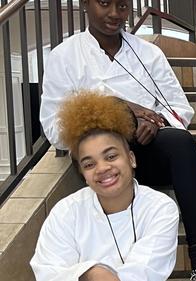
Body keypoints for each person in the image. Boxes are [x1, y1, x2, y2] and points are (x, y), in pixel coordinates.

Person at [38, 0, 196, 279]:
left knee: (183, 144)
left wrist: (155, 124)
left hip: (147, 151)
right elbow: (54, 129)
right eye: (104, 4)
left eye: (122, 6)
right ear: (86, 4)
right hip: (101, 156)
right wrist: (117, 109)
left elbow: (181, 110)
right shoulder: (64, 56)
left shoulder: (148, 53)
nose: (114, 14)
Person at [31, 92, 179, 281]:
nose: (102, 168)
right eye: (89, 164)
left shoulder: (160, 208)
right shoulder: (66, 212)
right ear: (84, 175)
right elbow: (48, 272)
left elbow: (144, 273)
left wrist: (95, 274)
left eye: (111, 156)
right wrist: (90, 273)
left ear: (131, 159)